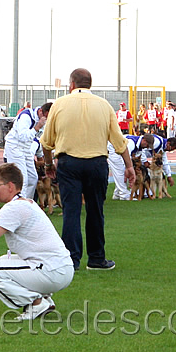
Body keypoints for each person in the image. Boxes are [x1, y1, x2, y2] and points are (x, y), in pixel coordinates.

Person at [41, 68, 135, 271]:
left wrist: (48, 164)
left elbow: (46, 143)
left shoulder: (60, 104)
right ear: (89, 84)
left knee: (71, 212)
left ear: (72, 84)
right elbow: (119, 142)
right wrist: (129, 166)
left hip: (69, 163)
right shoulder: (104, 105)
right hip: (97, 163)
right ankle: (97, 258)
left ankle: (71, 260)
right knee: (95, 211)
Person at [0, 163, 74, 321]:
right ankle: (44, 299)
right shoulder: (23, 203)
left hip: (52, 270)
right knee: (2, 261)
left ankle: (36, 303)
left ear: (10, 186)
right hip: (59, 267)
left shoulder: (15, 208)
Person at [3, 102, 52, 199]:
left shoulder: (44, 122)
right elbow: (23, 137)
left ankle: (27, 203)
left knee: (33, 178)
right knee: (22, 179)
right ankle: (19, 205)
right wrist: (37, 127)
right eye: (46, 116)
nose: (47, 120)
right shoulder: (26, 116)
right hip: (15, 147)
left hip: (27, 148)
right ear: (41, 111)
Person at [107, 133, 154, 200]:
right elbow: (125, 155)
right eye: (147, 145)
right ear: (144, 140)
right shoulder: (131, 143)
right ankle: (124, 195)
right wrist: (128, 168)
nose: (147, 147)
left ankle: (117, 194)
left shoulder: (139, 147)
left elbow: (140, 159)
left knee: (121, 171)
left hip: (118, 148)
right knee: (120, 171)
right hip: (114, 149)